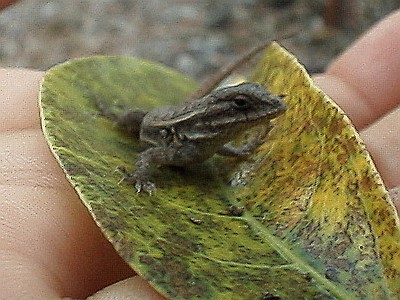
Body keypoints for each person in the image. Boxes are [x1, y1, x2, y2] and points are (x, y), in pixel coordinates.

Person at [1, 2, 400, 298]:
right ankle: (110, 112)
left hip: (191, 123)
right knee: (133, 120)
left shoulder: (211, 138)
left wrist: (244, 151)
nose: (266, 111)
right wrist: (140, 178)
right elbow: (151, 155)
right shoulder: (177, 144)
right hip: (161, 124)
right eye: (244, 108)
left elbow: (216, 148)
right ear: (217, 115)